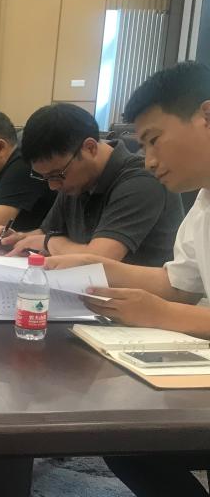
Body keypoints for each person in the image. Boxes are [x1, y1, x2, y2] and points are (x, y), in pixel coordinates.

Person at [42, 62, 210, 497]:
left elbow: (172, 303)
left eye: (154, 140)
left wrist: (162, 314)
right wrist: (99, 267)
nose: (149, 160)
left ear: (206, 117)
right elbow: (180, 284)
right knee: (127, 441)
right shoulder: (203, 202)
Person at [0, 103, 182, 266]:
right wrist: (18, 239)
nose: (53, 186)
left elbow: (100, 259)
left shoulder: (141, 181)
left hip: (137, 297)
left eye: (56, 175)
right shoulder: (74, 178)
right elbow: (45, 232)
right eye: (46, 178)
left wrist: (49, 243)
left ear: (90, 148)